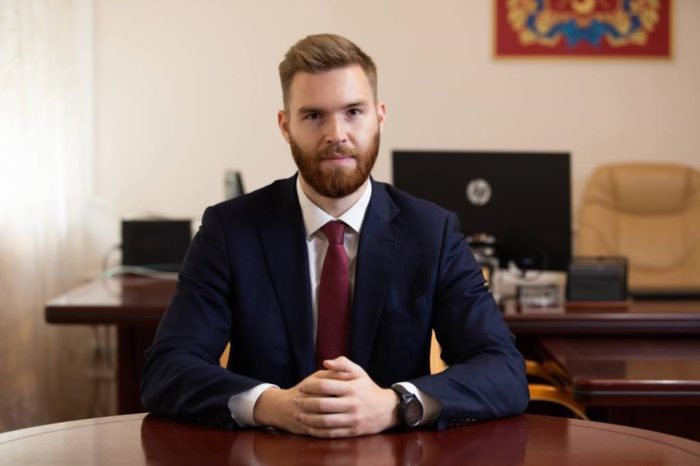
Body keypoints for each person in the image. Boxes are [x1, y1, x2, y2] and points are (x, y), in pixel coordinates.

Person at [141, 33, 529, 438]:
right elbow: (166, 370)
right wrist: (273, 405)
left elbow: (504, 370)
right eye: (314, 116)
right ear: (285, 126)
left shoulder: (432, 232)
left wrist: (395, 405)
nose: (336, 134)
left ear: (380, 116)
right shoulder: (230, 230)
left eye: (353, 112)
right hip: (267, 453)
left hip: (391, 454)